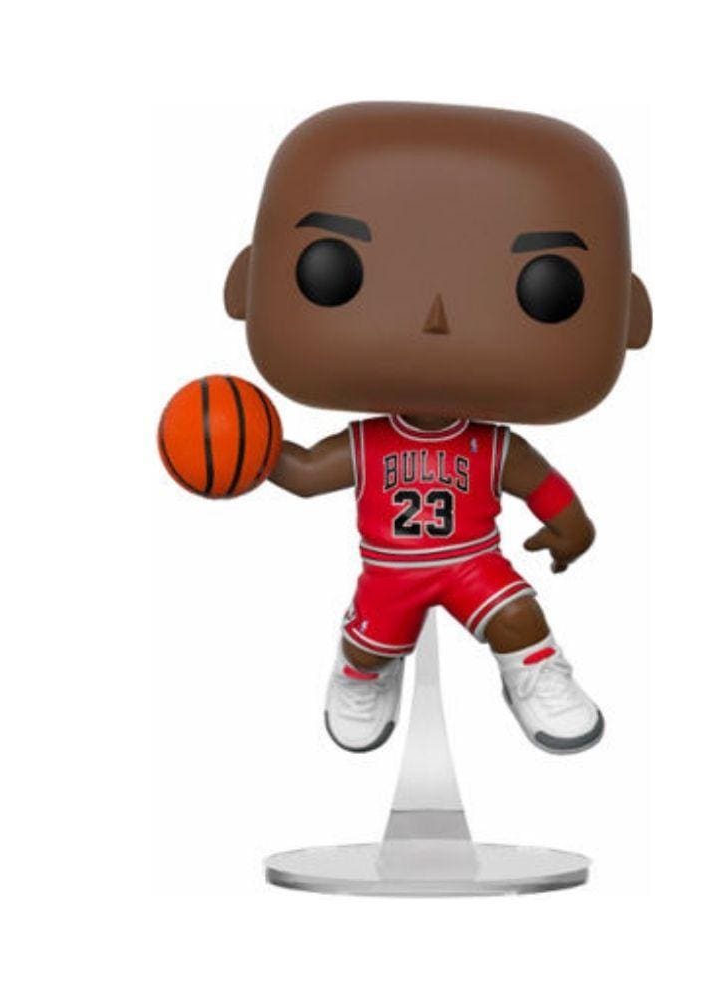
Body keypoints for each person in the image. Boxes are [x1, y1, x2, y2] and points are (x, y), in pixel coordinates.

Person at [224, 102, 651, 753]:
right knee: (370, 645)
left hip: (472, 562)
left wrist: (573, 525)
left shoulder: (491, 445)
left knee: (519, 616)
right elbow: (308, 474)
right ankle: (360, 676)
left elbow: (539, 481)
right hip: (391, 571)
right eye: (334, 269)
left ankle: (536, 674)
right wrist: (250, 452)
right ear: (246, 282)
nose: (436, 317)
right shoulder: (371, 441)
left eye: (548, 286)